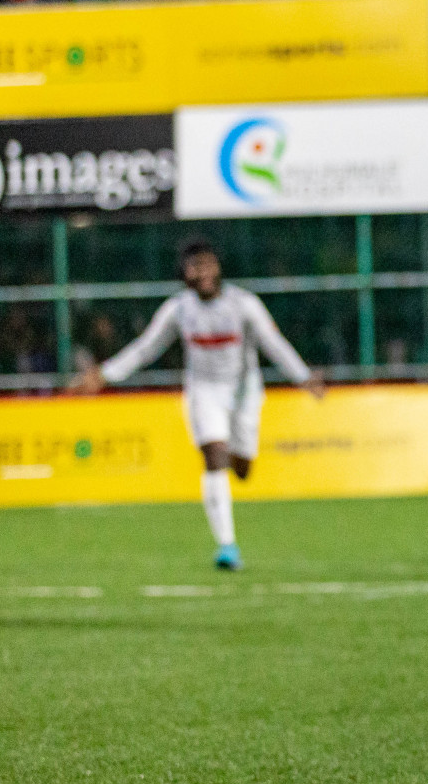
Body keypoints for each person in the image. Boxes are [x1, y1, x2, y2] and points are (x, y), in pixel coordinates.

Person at [72, 238, 323, 569]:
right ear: (184, 274)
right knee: (214, 456)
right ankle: (227, 546)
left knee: (243, 468)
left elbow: (272, 342)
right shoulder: (178, 310)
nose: (202, 272)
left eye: (207, 264)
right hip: (204, 391)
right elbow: (146, 347)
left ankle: (237, 458)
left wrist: (302, 376)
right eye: (194, 266)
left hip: (244, 392)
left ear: (218, 267)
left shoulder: (243, 304)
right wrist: (105, 374)